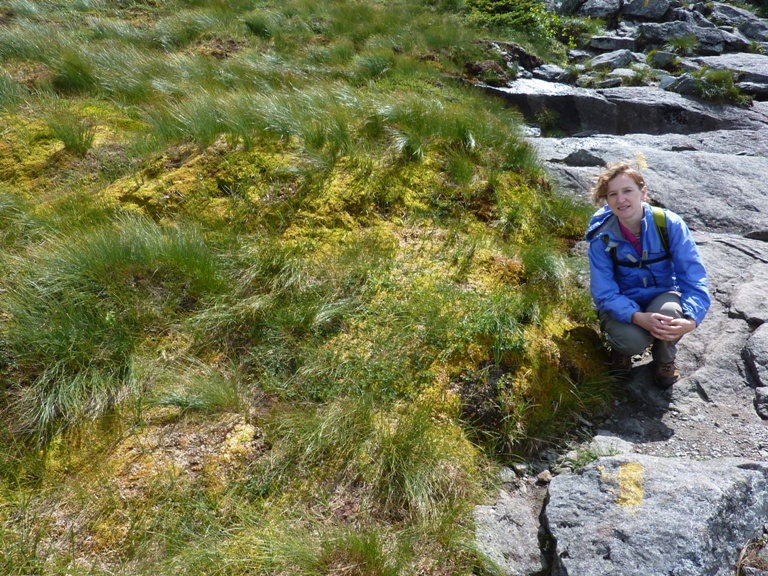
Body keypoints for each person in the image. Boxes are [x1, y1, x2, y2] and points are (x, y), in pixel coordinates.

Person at [584, 161, 710, 388]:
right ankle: (622, 351)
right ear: (607, 199)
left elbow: (694, 279)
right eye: (613, 194)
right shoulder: (601, 238)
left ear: (643, 191)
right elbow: (604, 294)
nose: (620, 200)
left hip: (662, 296)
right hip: (621, 304)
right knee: (631, 340)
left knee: (671, 314)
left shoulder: (669, 224)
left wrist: (691, 320)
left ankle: (665, 359)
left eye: (627, 191)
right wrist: (637, 317)